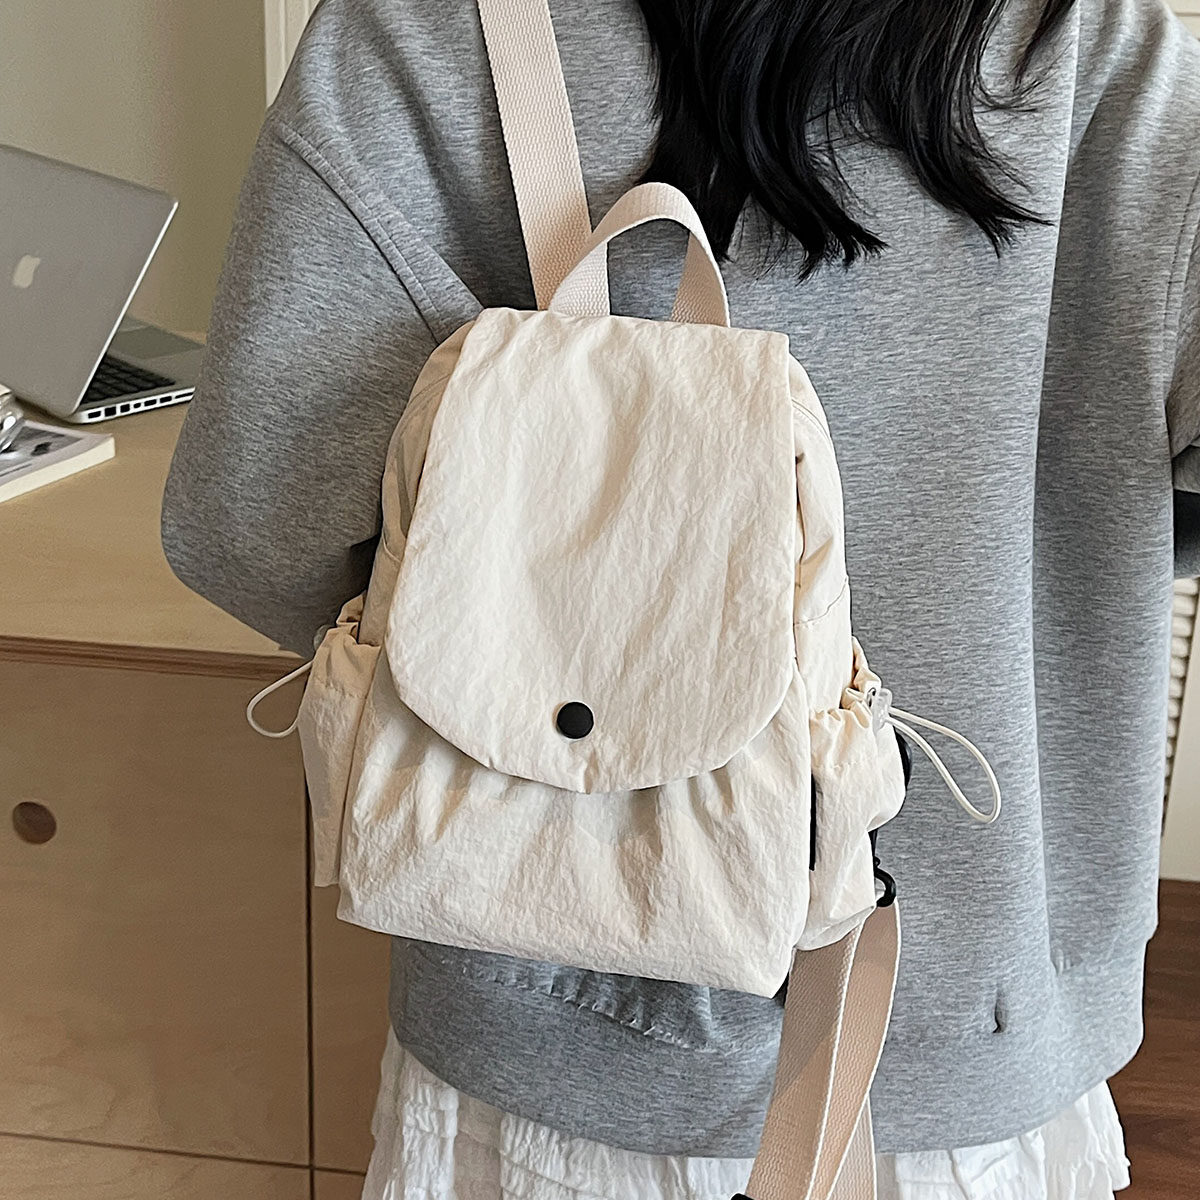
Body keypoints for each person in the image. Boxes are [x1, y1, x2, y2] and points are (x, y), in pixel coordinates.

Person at [161, 0, 1200, 1196]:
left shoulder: (428, 29)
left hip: (535, 1006)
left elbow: (253, 521)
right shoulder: (1119, 66)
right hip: (976, 1037)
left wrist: (553, 651)